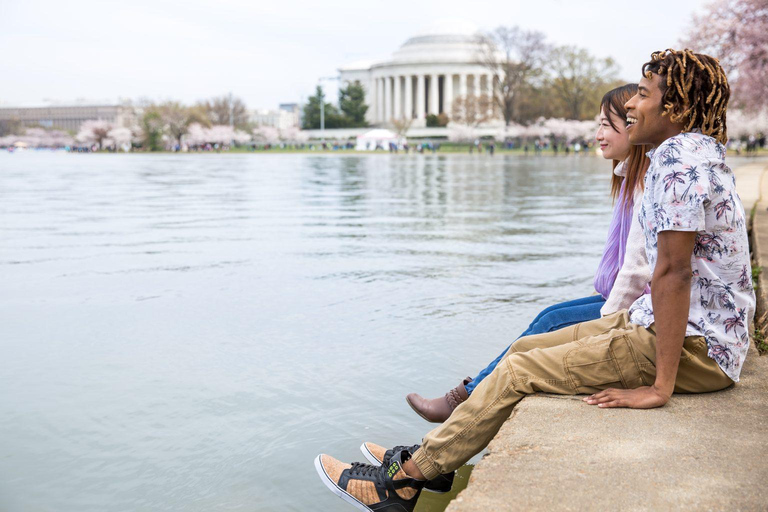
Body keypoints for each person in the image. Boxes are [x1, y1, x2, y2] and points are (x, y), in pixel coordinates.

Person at [314, 49, 755, 512]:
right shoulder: (693, 153)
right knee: (526, 349)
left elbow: (673, 273)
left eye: (642, 95)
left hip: (695, 348)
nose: (630, 105)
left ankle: (403, 484)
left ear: (676, 109)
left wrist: (660, 387)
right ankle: (436, 459)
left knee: (520, 371)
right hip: (678, 330)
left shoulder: (678, 165)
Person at [405, 83, 652, 423]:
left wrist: (605, 324)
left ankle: (464, 398)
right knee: (549, 314)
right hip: (630, 299)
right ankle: (465, 394)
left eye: (606, 125)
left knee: (551, 322)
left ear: (632, 125)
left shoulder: (643, 183)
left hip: (638, 308)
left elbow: (637, 272)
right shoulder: (629, 178)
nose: (597, 134)